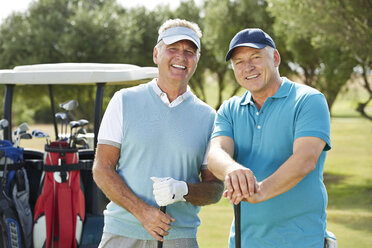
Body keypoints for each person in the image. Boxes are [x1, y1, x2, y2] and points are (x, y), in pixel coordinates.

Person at [92, 19, 224, 248]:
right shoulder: (123, 101)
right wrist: (143, 212)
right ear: (156, 54)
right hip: (122, 233)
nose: (181, 57)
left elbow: (214, 189)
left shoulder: (209, 117)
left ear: (197, 59)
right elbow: (102, 169)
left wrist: (183, 190)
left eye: (189, 51)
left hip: (179, 237)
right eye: (172, 49)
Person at [207, 28, 336, 247]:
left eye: (256, 57)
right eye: (239, 62)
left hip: (301, 240)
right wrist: (231, 169)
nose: (248, 67)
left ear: (275, 58)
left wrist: (260, 191)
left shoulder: (308, 100)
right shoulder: (229, 109)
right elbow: (216, 153)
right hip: (243, 241)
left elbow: (306, 159)